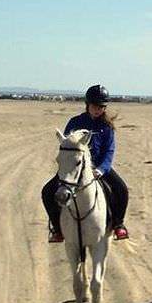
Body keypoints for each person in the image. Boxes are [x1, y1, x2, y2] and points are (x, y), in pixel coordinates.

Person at [41, 84, 130, 242]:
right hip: (75, 169)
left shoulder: (107, 127)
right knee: (47, 192)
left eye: (101, 106)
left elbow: (109, 151)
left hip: (99, 169)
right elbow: (66, 146)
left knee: (121, 189)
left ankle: (118, 225)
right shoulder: (75, 122)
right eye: (95, 106)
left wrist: (101, 169)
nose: (98, 109)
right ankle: (57, 229)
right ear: (87, 104)